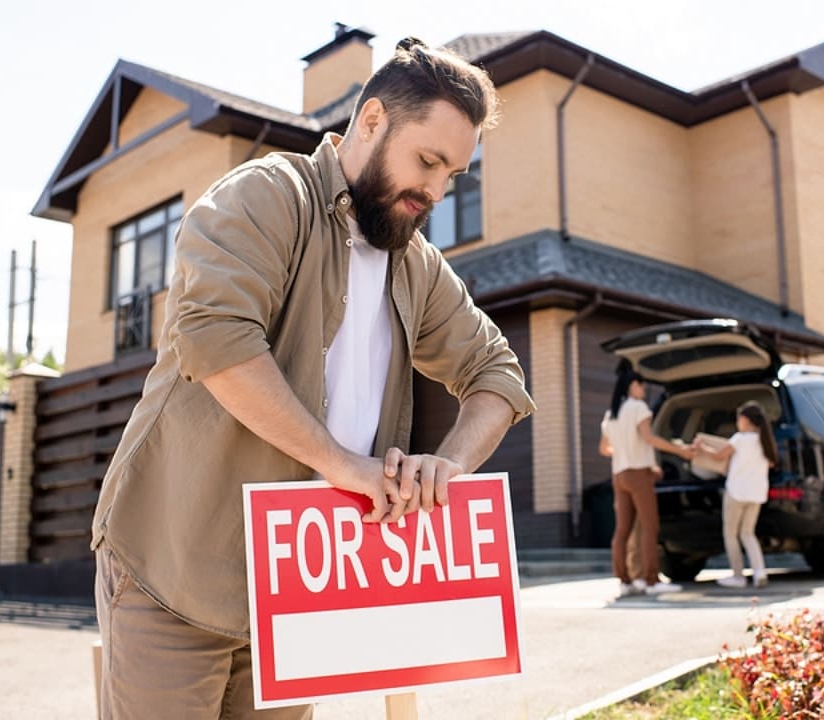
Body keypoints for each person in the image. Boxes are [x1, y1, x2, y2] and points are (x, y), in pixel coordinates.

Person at [91, 38, 536, 719]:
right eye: (427, 161)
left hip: (298, 596)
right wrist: (344, 466)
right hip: (174, 570)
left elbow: (498, 374)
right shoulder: (266, 195)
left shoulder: (416, 265)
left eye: (454, 174)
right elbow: (215, 339)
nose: (437, 191)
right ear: (372, 121)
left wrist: (447, 469)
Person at [599, 367, 693, 597]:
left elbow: (604, 449)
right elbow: (649, 438)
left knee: (622, 531)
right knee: (650, 527)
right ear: (633, 385)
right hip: (639, 474)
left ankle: (625, 581)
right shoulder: (638, 408)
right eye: (642, 385)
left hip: (619, 475)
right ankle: (651, 580)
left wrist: (624, 451)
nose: (643, 390)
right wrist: (680, 450)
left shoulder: (611, 414)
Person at [694, 401, 779, 589]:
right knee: (748, 534)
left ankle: (738, 576)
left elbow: (718, 456)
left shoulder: (740, 439)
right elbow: (771, 464)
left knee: (731, 534)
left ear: (745, 420)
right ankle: (759, 572)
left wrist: (701, 448)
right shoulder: (764, 442)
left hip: (736, 493)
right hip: (756, 494)